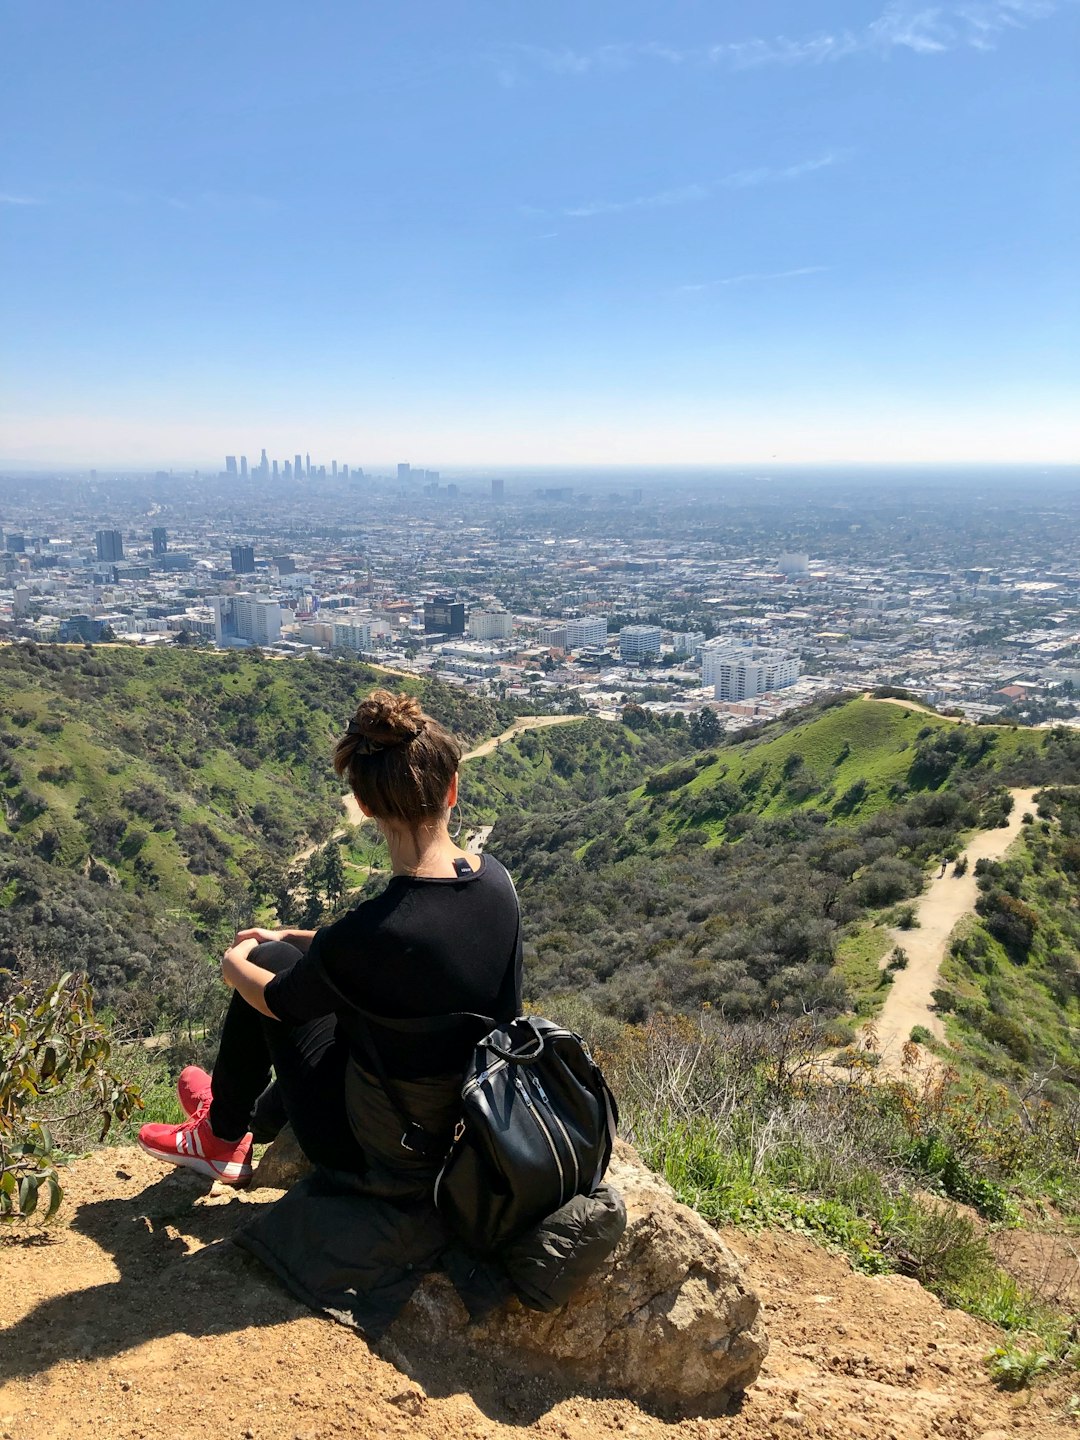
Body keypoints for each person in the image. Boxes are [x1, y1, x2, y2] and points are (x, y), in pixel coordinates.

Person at [139, 688, 522, 1192]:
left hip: (380, 1146)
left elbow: (279, 1002)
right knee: (296, 963)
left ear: (363, 805)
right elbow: (387, 949)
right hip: (477, 1118)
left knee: (267, 961)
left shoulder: (379, 927)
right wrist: (295, 935)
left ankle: (221, 1136)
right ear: (452, 788)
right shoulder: (498, 885)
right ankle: (242, 1120)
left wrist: (236, 963)